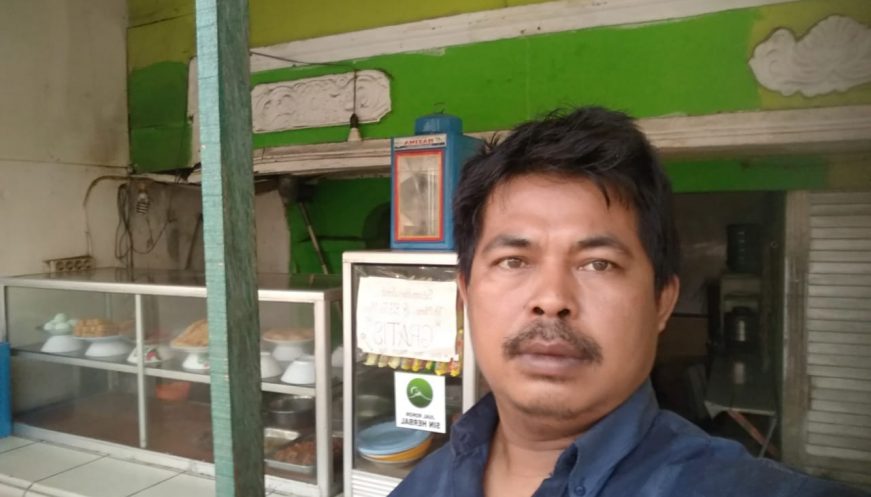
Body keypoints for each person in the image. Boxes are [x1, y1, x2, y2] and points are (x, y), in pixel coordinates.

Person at [388, 107, 868, 497]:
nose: (551, 299)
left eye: (598, 263)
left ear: (662, 302)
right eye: (514, 260)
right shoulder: (420, 487)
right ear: (466, 294)